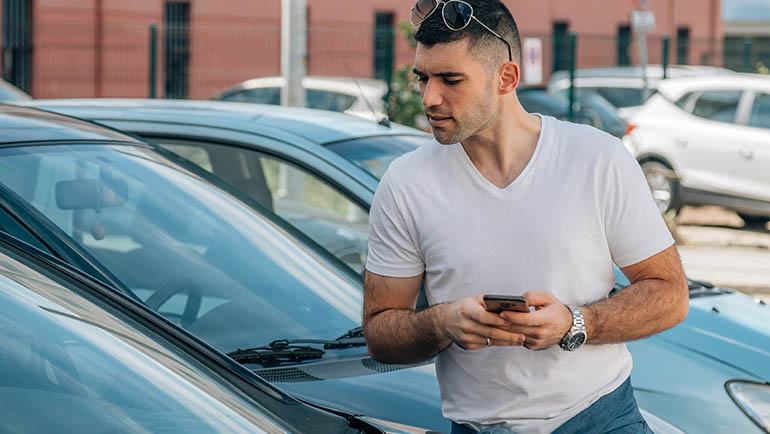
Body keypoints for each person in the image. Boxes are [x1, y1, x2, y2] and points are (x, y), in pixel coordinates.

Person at [361, 1, 689, 433]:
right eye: (422, 78)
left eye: (450, 80)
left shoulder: (595, 158)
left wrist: (576, 323)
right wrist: (442, 322)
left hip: (600, 420)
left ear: (507, 78)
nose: (429, 97)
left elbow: (670, 294)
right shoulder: (405, 183)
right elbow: (380, 332)